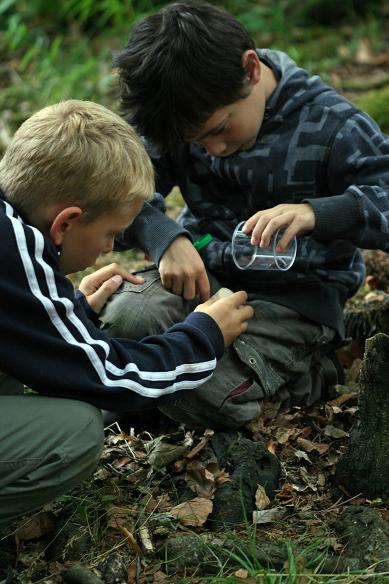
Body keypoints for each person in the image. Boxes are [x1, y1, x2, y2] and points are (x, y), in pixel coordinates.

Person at [100, 0, 389, 429]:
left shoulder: (336, 127)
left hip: (294, 305)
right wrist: (163, 235)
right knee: (125, 321)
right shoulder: (182, 113)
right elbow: (114, 192)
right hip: (201, 278)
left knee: (191, 384)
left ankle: (307, 374)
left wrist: (318, 213)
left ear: (251, 69)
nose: (212, 150)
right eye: (194, 142)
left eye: (219, 130)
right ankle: (157, 398)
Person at [0, 99, 253, 529]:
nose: (107, 248)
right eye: (111, 234)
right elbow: (106, 379)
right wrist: (204, 335)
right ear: (65, 224)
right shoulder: (14, 251)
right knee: (76, 431)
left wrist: (65, 310)